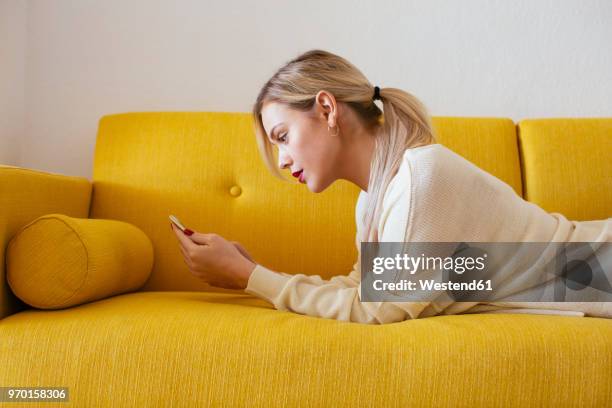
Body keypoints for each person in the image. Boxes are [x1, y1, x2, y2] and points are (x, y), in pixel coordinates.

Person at [172, 49, 611, 324]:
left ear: (326, 108)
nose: (283, 160)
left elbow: (382, 311)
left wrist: (251, 277)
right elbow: (366, 289)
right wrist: (254, 275)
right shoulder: (375, 196)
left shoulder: (421, 176)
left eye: (282, 137)